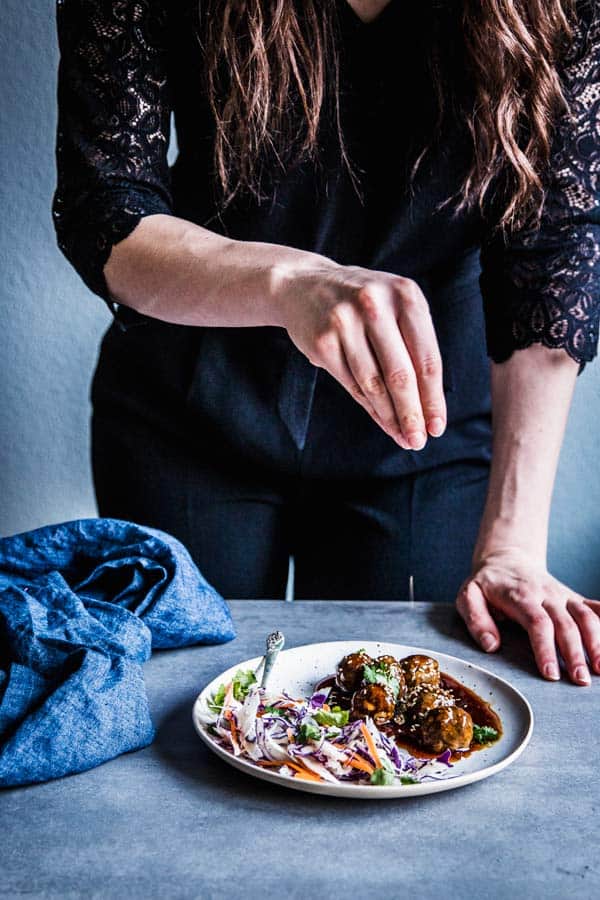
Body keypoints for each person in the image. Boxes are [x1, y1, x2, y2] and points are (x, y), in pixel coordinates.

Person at [52, 0, 600, 685]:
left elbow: (551, 253)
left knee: (398, 722)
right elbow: (104, 205)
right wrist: (292, 283)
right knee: (178, 716)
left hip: (427, 432)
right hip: (189, 405)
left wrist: (515, 545)